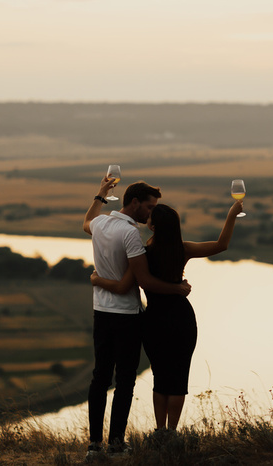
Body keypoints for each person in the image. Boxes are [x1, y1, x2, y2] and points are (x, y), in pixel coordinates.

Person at [91, 198, 243, 431]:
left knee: (160, 378)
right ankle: (172, 432)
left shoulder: (142, 253)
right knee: (178, 378)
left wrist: (96, 279)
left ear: (153, 227)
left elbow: (126, 284)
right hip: (181, 319)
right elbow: (222, 244)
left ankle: (160, 431)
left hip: (153, 322)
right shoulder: (183, 249)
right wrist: (232, 214)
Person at [82, 177, 191, 458]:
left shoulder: (101, 224)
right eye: (149, 207)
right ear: (134, 204)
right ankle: (116, 444)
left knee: (99, 377)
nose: (151, 213)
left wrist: (100, 195)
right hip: (127, 316)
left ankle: (94, 445)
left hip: (101, 313)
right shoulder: (131, 234)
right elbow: (139, 281)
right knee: (125, 381)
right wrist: (177, 288)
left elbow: (86, 223)